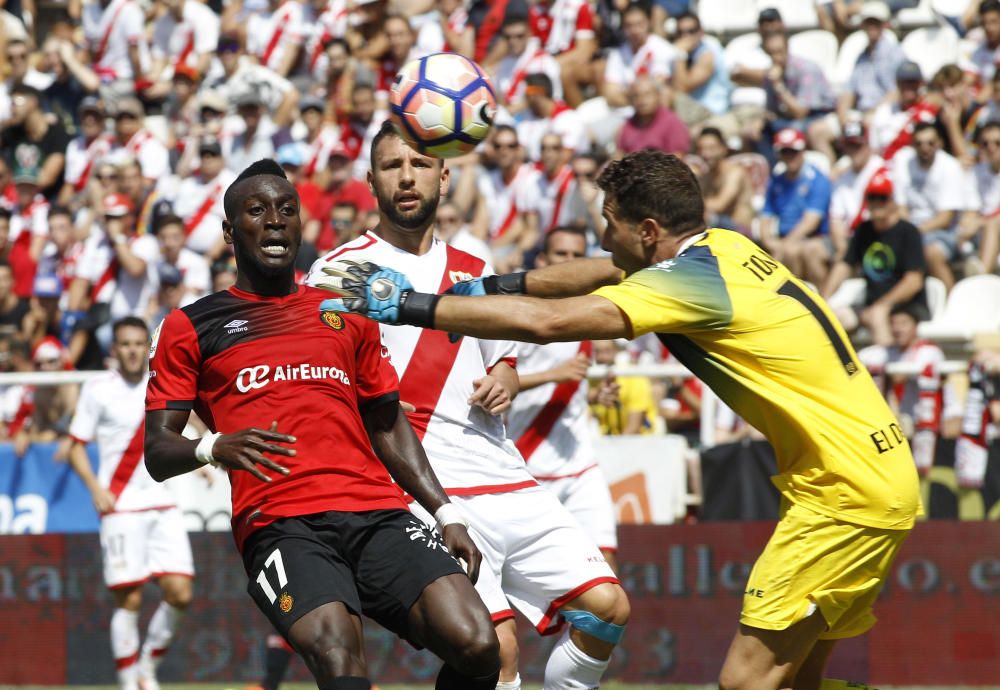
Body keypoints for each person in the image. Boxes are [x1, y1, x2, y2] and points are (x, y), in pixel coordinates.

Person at [317, 148, 920, 690]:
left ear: (649, 230)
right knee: (799, 681)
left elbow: (547, 324)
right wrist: (485, 286)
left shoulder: (683, 288)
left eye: (610, 223)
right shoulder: (727, 250)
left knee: (746, 683)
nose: (602, 239)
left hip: (838, 494)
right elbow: (602, 272)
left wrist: (409, 304)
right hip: (881, 472)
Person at [143, 159, 501, 690]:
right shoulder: (190, 324)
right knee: (339, 657)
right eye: (257, 211)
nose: (274, 221)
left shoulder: (342, 309)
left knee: (479, 644)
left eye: (287, 210)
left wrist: (445, 512)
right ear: (228, 231)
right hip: (281, 522)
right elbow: (158, 451)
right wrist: (214, 447)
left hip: (376, 511)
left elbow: (387, 421)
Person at [307, 122, 630, 690]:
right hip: (424, 486)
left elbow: (503, 357)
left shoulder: (473, 266)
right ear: (371, 181)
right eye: (391, 166)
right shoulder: (336, 271)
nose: (407, 177)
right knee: (495, 650)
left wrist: (505, 375)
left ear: (444, 176)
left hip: (502, 473)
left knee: (606, 610)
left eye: (420, 165)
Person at [67, 317, 194, 690]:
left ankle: (146, 666)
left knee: (180, 593)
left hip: (161, 501)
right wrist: (94, 489)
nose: (133, 350)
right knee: (130, 599)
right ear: (114, 349)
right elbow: (76, 446)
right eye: (125, 344)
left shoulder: (163, 385)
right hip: (120, 506)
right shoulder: (97, 389)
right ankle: (129, 683)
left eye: (140, 343)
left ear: (148, 348)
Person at [505, 226, 619, 571]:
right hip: (528, 464)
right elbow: (492, 386)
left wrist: (596, 397)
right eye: (560, 255)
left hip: (580, 466)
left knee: (605, 570)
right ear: (542, 261)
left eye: (576, 256)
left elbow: (571, 386)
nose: (569, 262)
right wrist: (553, 377)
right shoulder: (517, 317)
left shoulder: (589, 313)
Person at [822, 170, 927, 347]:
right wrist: (823, 300)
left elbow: (914, 281)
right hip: (871, 306)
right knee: (834, 318)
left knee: (878, 315)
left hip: (906, 307)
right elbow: (844, 266)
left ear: (893, 201)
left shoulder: (908, 232)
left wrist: (883, 305)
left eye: (882, 198)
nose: (877, 203)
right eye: (872, 198)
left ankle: (885, 373)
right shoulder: (864, 231)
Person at [760, 128, 832, 284]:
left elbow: (811, 222)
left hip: (816, 238)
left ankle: (812, 298)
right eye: (785, 152)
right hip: (785, 238)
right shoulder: (776, 182)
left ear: (803, 151)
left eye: (794, 151)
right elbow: (766, 217)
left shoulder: (818, 180)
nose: (790, 156)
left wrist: (785, 245)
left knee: (798, 251)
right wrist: (769, 241)